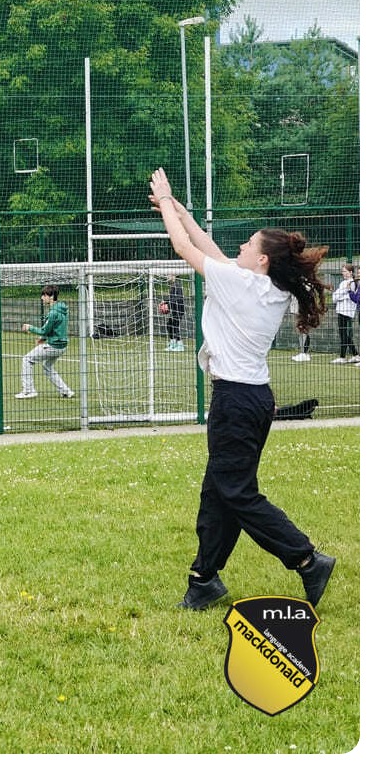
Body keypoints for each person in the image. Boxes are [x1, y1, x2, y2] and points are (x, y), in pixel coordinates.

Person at [148, 166, 335, 610]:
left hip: (237, 401)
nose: (240, 247)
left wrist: (168, 202)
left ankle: (307, 559)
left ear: (262, 260)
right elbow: (203, 241)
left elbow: (182, 245)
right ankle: (204, 580)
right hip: (250, 400)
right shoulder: (257, 284)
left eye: (248, 244)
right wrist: (172, 207)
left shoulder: (240, 284)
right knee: (220, 491)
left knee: (235, 492)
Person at [15, 285, 75, 399]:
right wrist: (43, 338)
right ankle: (66, 391)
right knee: (47, 366)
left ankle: (28, 391)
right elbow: (55, 329)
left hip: (54, 346)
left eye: (44, 295)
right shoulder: (61, 309)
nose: (42, 298)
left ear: (51, 296)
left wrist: (29, 327)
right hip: (62, 346)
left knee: (27, 359)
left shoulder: (53, 313)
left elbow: (44, 330)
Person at [332, 263, 359, 364]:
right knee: (344, 334)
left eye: (345, 271)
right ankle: (356, 355)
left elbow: (350, 297)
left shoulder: (353, 283)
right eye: (342, 271)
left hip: (347, 311)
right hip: (341, 310)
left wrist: (341, 294)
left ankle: (343, 357)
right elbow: (335, 298)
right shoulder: (343, 283)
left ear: (351, 272)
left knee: (344, 334)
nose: (342, 273)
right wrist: (342, 294)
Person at [162, 275, 186, 352]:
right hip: (174, 310)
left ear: (174, 276)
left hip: (179, 309)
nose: (167, 276)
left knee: (175, 326)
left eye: (169, 275)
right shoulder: (172, 286)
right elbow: (172, 298)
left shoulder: (177, 285)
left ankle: (180, 345)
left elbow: (178, 297)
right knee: (169, 325)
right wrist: (166, 303)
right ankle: (173, 344)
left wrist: (167, 302)